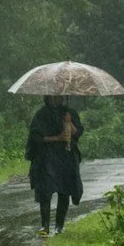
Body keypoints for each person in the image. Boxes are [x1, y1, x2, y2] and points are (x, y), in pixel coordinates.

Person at [26, 94, 84, 234]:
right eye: (52, 97)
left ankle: (59, 226)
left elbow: (78, 132)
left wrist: (69, 122)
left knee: (64, 191)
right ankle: (45, 225)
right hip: (47, 157)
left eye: (58, 97)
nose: (56, 100)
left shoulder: (70, 113)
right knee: (45, 191)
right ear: (47, 97)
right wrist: (57, 138)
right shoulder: (41, 115)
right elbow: (36, 137)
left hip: (66, 156)